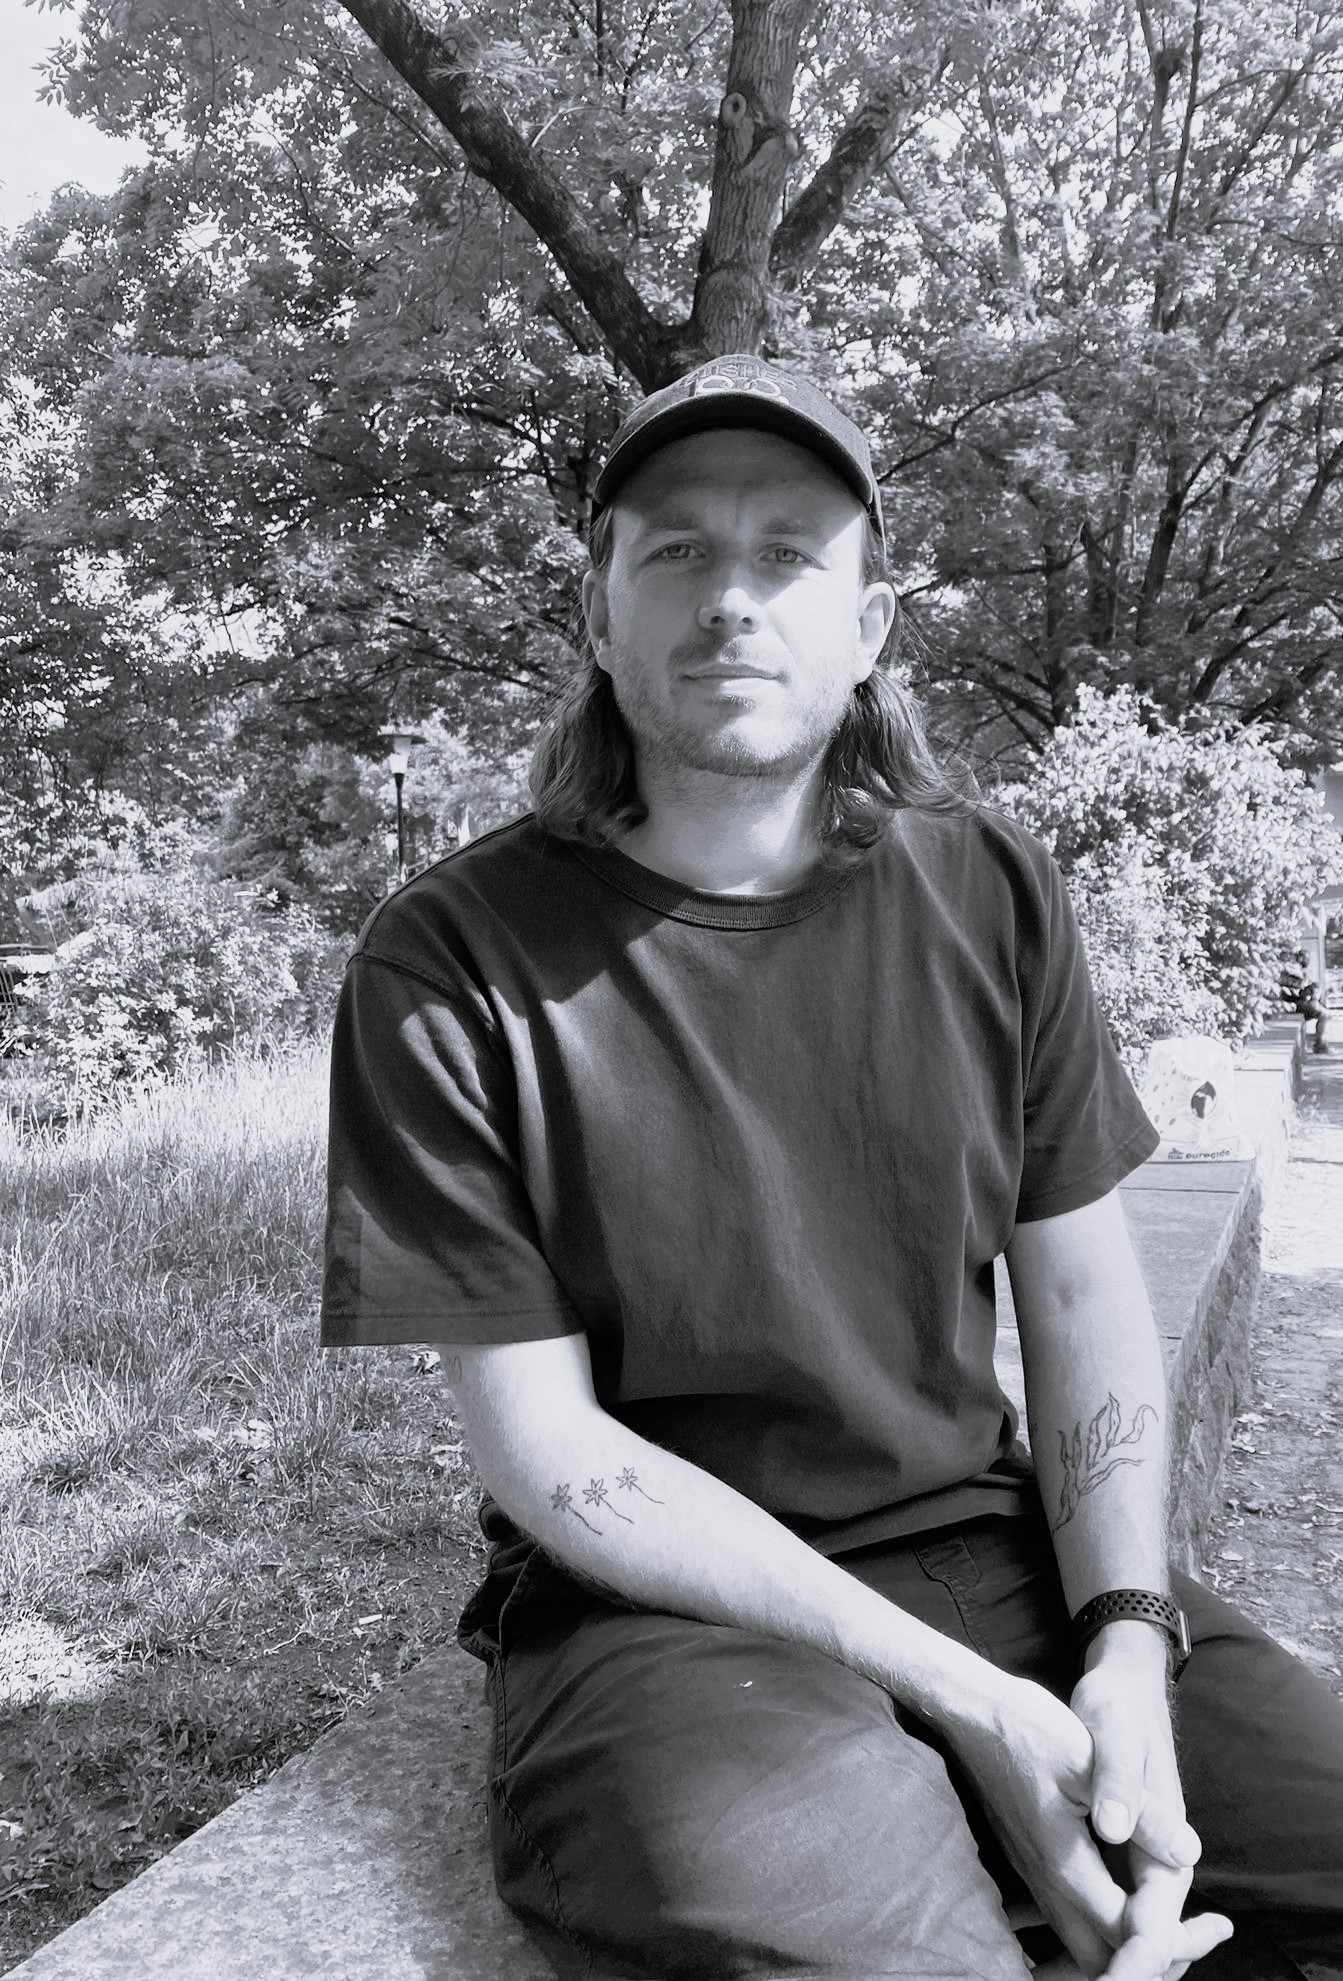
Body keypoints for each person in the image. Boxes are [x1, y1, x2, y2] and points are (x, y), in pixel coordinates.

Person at [321, 353, 1343, 1981]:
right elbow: (541, 1446)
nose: (730, 596)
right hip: (662, 1618)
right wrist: (965, 1704)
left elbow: (1083, 1306)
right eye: (674, 550)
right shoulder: (446, 964)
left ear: (867, 626)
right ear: (597, 616)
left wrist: (1123, 1643)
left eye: (786, 553)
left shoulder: (987, 888)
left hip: (992, 1550)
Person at [1281, 952, 1330, 1055]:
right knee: (1324, 1015)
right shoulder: (1289, 969)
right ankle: (1319, 1043)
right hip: (1294, 1004)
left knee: (1325, 1013)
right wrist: (1307, 990)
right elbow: (1295, 990)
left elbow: (1303, 987)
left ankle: (1319, 1041)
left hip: (1300, 1002)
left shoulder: (1299, 971)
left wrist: (1312, 989)